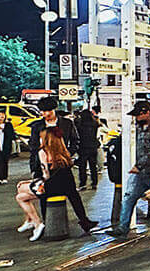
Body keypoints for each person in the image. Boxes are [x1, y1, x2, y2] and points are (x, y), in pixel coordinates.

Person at [29, 97, 100, 233]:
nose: (46, 114)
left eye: (48, 111)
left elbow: (75, 140)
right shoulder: (37, 126)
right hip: (44, 164)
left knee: (73, 193)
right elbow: (33, 148)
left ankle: (84, 221)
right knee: (45, 196)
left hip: (62, 164)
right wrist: (35, 169)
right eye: (43, 111)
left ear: (54, 109)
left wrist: (69, 154)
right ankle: (48, 223)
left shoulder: (66, 123)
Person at [110, 100, 150, 237]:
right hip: (141, 170)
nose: (136, 118)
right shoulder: (138, 127)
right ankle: (123, 227)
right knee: (129, 196)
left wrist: (139, 164)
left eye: (138, 115)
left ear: (146, 113)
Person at [39, 128, 84, 237]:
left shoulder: (43, 152)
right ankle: (84, 220)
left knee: (23, 193)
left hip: (52, 187)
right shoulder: (64, 152)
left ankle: (42, 223)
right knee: (74, 196)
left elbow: (46, 174)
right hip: (65, 186)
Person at [75, 105, 101, 189]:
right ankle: (94, 183)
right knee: (93, 166)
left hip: (83, 147)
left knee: (82, 167)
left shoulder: (79, 124)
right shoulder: (94, 123)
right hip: (93, 147)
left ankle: (83, 184)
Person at [15, 175, 45, 241]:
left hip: (47, 186)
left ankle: (37, 223)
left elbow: (47, 175)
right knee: (20, 196)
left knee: (20, 189)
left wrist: (32, 182)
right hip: (51, 183)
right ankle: (31, 220)